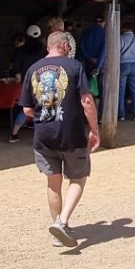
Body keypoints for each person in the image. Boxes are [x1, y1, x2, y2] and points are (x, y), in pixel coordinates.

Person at [18, 31, 101, 250]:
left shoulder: (32, 70)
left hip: (43, 135)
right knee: (78, 178)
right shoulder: (75, 67)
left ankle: (57, 231)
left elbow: (26, 108)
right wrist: (94, 130)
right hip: (71, 134)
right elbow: (87, 101)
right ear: (64, 45)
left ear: (48, 47)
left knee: (53, 184)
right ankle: (62, 222)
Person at [7, 26, 46, 141]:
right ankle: (41, 137)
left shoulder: (20, 51)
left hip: (26, 83)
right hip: (42, 82)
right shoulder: (44, 50)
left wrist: (18, 80)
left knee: (26, 109)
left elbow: (17, 70)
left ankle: (14, 134)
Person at [117, 20, 135, 121]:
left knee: (121, 90)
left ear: (124, 28)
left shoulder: (120, 38)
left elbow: (116, 53)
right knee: (134, 90)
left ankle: (121, 114)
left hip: (123, 65)